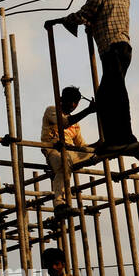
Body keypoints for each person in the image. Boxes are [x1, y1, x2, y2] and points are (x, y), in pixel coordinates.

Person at [45, 0, 135, 153]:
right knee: (108, 94)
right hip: (125, 48)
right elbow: (105, 17)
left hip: (111, 49)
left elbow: (83, 15)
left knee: (113, 94)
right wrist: (92, 25)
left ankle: (123, 138)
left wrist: (60, 20)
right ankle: (119, 139)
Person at [41, 86, 87, 216]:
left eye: (76, 102)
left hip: (71, 153)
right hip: (53, 151)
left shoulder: (76, 125)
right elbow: (63, 123)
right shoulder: (52, 110)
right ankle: (60, 203)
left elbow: (82, 145)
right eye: (70, 101)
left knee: (94, 152)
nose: (73, 105)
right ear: (61, 99)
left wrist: (98, 147)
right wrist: (88, 111)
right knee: (63, 162)